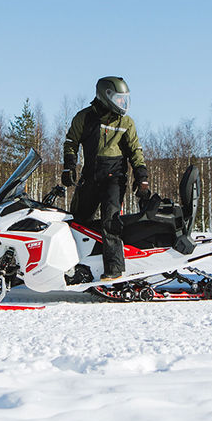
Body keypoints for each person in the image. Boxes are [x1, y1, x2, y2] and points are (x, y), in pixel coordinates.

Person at [62, 76, 149, 282]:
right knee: (76, 221)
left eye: (125, 99)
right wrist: (69, 166)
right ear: (105, 96)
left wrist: (142, 177)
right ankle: (71, 267)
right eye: (119, 99)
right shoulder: (84, 117)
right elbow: (70, 141)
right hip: (90, 176)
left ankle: (114, 268)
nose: (123, 103)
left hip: (114, 179)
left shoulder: (126, 122)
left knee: (110, 221)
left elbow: (136, 151)